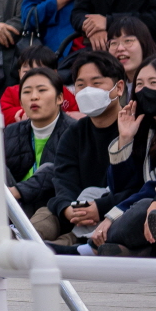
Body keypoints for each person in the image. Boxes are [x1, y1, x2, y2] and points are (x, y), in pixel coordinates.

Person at [90, 54, 156, 254]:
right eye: (138, 84)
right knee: (136, 209)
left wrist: (113, 216)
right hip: (154, 210)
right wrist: (125, 139)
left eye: (153, 82)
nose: (144, 90)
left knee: (143, 209)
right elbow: (122, 187)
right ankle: (130, 252)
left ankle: (88, 250)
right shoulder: (149, 126)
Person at [36, 51, 130, 244]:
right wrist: (67, 208)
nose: (88, 90)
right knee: (42, 220)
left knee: (68, 241)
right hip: (75, 211)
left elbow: (136, 185)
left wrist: (100, 207)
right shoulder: (73, 133)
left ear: (119, 87)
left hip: (117, 212)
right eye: (80, 85)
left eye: (96, 83)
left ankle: (60, 249)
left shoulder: (134, 128)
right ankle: (17, 243)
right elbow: (63, 180)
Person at [0, 66, 72, 233]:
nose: (34, 97)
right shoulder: (11, 131)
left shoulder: (75, 131)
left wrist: (17, 191)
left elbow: (57, 172)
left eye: (42, 90)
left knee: (47, 168)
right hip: (12, 204)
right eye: (27, 92)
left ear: (59, 98)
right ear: (21, 102)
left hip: (53, 207)